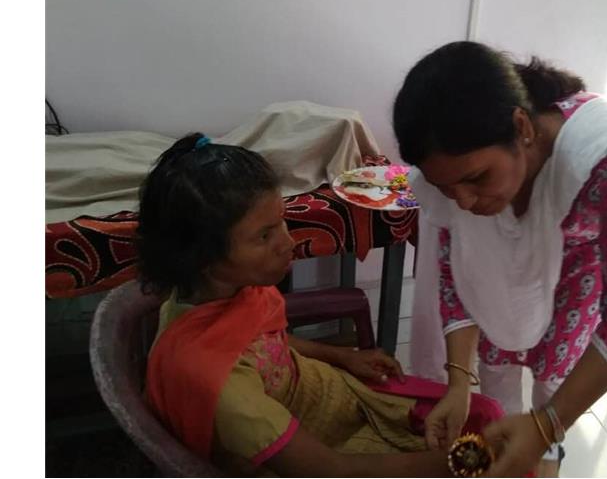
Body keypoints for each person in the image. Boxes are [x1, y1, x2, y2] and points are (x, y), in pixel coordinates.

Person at [137, 133, 503, 477]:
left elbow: (265, 342)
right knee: (487, 444)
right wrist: (462, 462)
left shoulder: (219, 296)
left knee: (485, 415)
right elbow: (331, 470)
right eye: (264, 235)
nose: (287, 242)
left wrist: (341, 356)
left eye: (280, 222)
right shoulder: (224, 392)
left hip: (330, 395)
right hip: (327, 451)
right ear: (204, 257)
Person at [392, 41, 607, 476]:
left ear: (523, 128)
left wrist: (545, 426)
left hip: (580, 268)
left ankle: (546, 452)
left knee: (553, 381)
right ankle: (509, 439)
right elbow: (458, 273)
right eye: (446, 189)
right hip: (507, 270)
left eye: (476, 179)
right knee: (496, 374)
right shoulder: (463, 180)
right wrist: (460, 383)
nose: (463, 201)